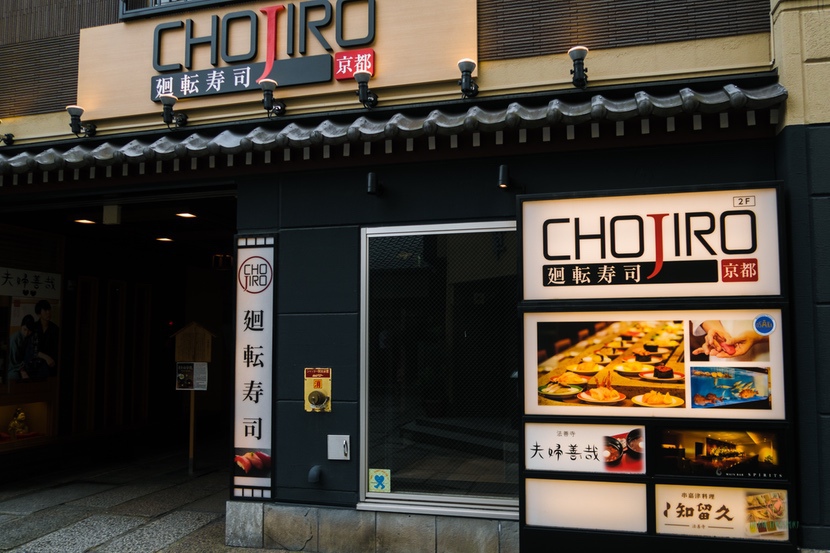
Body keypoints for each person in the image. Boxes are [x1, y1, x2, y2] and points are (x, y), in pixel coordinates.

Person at [689, 319, 769, 361]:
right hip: (719, 355)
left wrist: (759, 336)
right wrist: (717, 334)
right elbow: (701, 304)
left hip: (763, 356)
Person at [33, 300, 60, 377]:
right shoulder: (34, 327)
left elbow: (57, 349)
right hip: (36, 362)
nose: (48, 312)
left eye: (49, 310)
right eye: (45, 310)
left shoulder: (55, 329)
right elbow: (29, 347)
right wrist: (43, 356)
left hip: (51, 364)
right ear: (39, 314)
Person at [8, 314, 35, 381]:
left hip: (23, 364)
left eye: (29, 331)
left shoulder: (30, 337)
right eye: (24, 329)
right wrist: (22, 370)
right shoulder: (15, 339)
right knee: (14, 377)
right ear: (21, 326)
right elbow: (13, 360)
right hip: (12, 366)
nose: (26, 333)